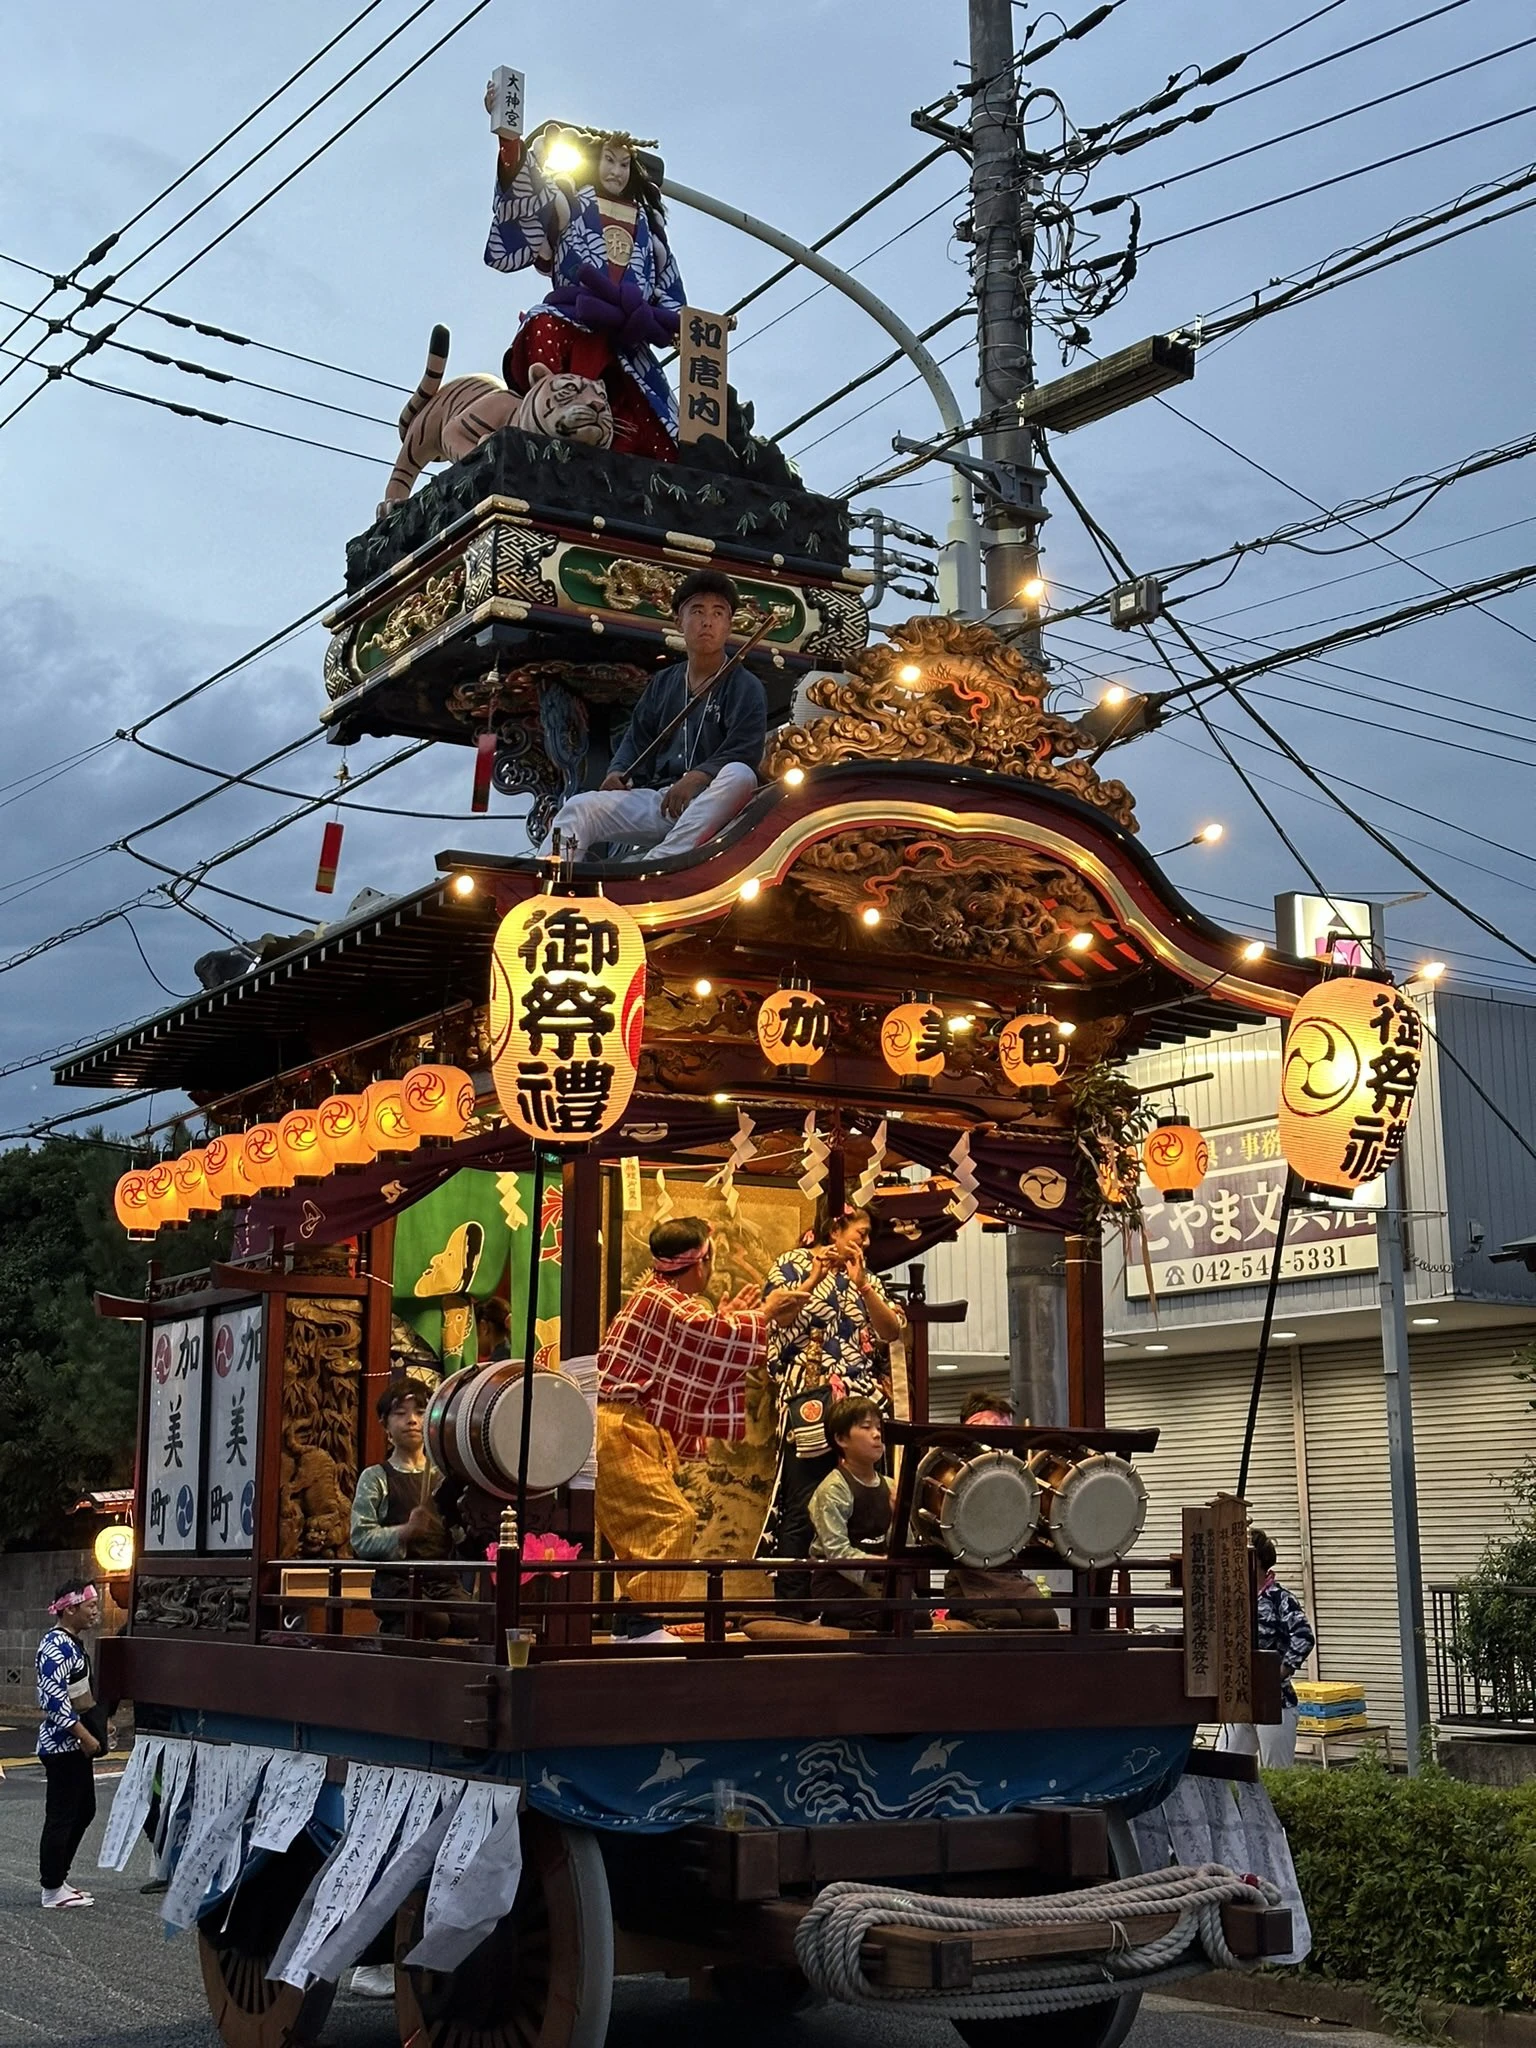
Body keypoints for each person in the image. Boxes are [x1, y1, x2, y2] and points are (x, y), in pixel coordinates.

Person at [597, 1216, 808, 1640]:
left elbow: (700, 1348)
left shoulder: (660, 1299)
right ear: (701, 1262)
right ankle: (640, 1624)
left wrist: (733, 1321)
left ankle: (635, 1622)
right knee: (671, 1519)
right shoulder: (666, 1302)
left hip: (625, 1426)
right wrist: (763, 1314)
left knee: (649, 1528)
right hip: (616, 1426)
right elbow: (707, 1339)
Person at [484, 112, 684, 459]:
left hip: (627, 334)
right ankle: (543, 421)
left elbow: (669, 290)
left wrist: (686, 327)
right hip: (572, 314)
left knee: (661, 435)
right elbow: (525, 192)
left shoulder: (649, 227)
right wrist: (509, 139)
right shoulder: (570, 200)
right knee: (541, 327)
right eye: (608, 160)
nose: (616, 172)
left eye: (624, 164)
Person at [544, 571, 765, 863]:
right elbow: (637, 738)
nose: (707, 621)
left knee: (741, 775)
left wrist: (698, 777)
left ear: (729, 625)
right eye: (697, 611)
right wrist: (617, 771)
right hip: (663, 800)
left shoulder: (745, 685)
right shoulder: (664, 682)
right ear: (678, 621)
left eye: (718, 613)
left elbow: (745, 750)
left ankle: (659, 861)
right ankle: (548, 877)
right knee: (580, 807)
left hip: (712, 802)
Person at [761, 1205, 905, 1605]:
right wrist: (814, 1277)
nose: (867, 1241)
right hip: (810, 1394)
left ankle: (859, 1595)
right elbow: (775, 1316)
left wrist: (863, 1287)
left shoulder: (868, 1278)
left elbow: (891, 1331)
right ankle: (792, 1601)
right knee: (803, 1497)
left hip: (858, 1402)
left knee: (866, 1494)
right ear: (836, 1229)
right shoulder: (791, 1263)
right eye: (861, 1232)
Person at [350, 1376, 462, 1639]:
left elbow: (459, 1534)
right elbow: (360, 1539)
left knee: (478, 1620)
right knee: (433, 1622)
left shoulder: (445, 1476)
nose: (411, 1420)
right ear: (385, 1425)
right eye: (400, 1414)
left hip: (442, 1581)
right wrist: (405, 1531)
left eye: (420, 1412)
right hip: (397, 1583)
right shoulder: (376, 1476)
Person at [941, 1393, 1057, 1631]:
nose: (999, 1444)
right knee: (1002, 1620)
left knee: (1045, 1620)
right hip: (967, 1575)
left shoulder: (1015, 1477)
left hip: (1008, 1573)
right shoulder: (950, 1471)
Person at [36, 1580, 107, 1909]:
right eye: (90, 1605)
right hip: (62, 1747)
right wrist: (85, 1735)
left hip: (74, 1746)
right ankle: (51, 1888)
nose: (96, 1611)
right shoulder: (55, 1646)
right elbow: (53, 1701)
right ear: (69, 1609)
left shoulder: (72, 1644)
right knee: (63, 1815)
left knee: (83, 1810)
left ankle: (58, 1879)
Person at [1219, 1529, 1316, 1767]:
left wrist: (1280, 1672)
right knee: (1224, 1765)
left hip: (1275, 1701)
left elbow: (1304, 1636)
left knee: (1275, 1772)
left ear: (1257, 1561)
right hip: (1240, 1698)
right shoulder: (1234, 1599)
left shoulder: (1279, 1598)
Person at [808, 1397, 902, 1631]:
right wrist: (883, 1565)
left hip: (881, 1579)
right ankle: (828, 1620)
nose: (877, 1434)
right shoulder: (833, 1488)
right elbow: (837, 1551)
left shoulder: (890, 1485)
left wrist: (899, 1516)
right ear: (841, 1439)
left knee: (918, 1617)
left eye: (879, 1427)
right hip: (838, 1582)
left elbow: (901, 1547)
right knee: (885, 1619)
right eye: (866, 1427)